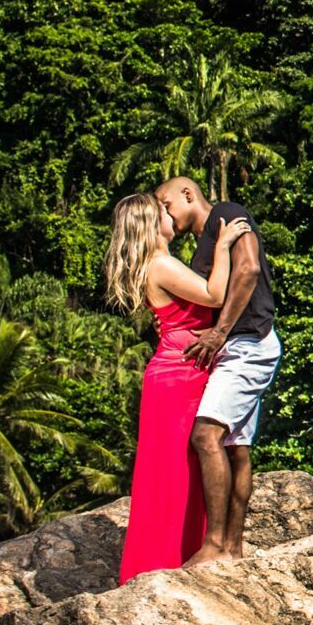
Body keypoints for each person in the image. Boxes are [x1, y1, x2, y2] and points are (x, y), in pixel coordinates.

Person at [104, 192, 251, 583]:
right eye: (163, 212)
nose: (171, 215)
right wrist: (222, 247)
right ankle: (158, 564)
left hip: (181, 374)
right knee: (170, 476)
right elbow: (214, 295)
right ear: (153, 224)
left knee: (181, 472)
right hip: (177, 378)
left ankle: (179, 554)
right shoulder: (161, 264)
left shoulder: (159, 264)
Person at [154, 177, 279, 568]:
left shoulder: (226, 214)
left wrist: (218, 333)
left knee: (206, 434)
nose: (163, 210)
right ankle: (234, 549)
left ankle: (215, 545)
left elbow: (247, 270)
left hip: (247, 343)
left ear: (189, 195)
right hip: (236, 346)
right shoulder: (203, 244)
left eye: (165, 201)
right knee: (235, 448)